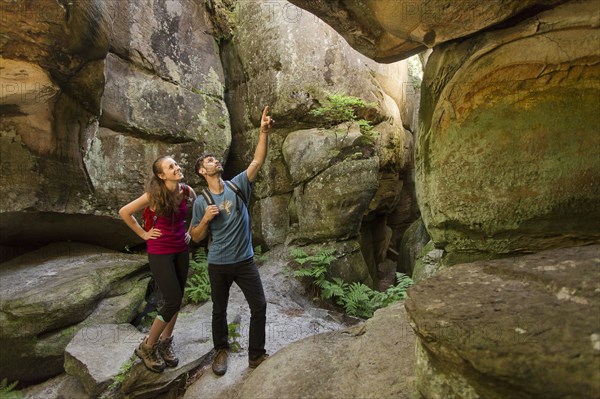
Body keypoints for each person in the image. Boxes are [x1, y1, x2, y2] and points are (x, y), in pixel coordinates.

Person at [190, 106, 274, 375]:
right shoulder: (201, 202)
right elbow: (194, 236)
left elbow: (257, 162)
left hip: (245, 261)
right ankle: (221, 351)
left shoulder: (237, 185)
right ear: (203, 171)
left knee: (259, 305)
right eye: (210, 161)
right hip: (218, 264)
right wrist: (204, 220)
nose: (215, 161)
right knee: (219, 310)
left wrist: (263, 133)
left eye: (216, 159)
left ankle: (256, 355)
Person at [119, 156, 196, 373]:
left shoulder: (187, 191)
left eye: (176, 164)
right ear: (161, 176)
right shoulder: (153, 196)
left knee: (177, 299)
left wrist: (189, 232)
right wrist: (144, 234)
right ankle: (147, 347)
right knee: (172, 300)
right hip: (160, 251)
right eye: (171, 167)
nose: (177, 167)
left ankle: (165, 341)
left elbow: (197, 211)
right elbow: (124, 212)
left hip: (181, 249)